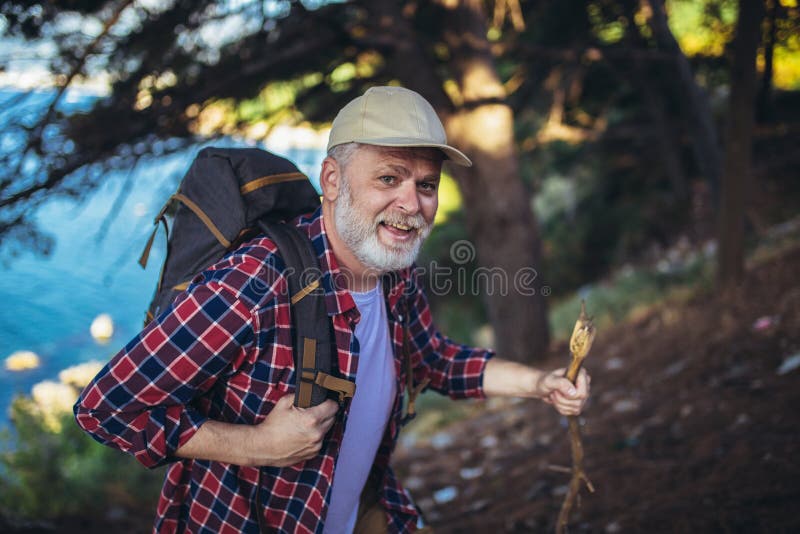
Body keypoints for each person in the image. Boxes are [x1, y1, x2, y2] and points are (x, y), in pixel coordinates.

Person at [74, 86, 590, 534]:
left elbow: (434, 359)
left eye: (426, 184)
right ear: (333, 180)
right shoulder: (255, 281)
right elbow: (105, 409)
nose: (412, 203)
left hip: (360, 513)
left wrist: (540, 384)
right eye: (389, 178)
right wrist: (257, 446)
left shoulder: (392, 271)